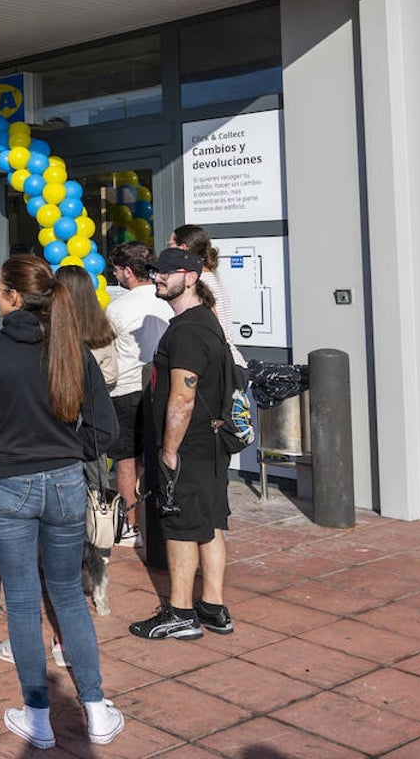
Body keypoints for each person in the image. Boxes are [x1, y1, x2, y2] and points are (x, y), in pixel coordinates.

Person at [0, 254, 124, 749]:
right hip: (64, 479)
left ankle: (39, 716)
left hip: (8, 483)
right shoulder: (71, 350)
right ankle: (94, 706)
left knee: (25, 602)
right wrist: (67, 448)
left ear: (10, 298)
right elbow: (105, 430)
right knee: (68, 592)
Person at [130, 248, 236, 641]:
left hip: (189, 447)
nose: (157, 277)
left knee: (179, 527)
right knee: (209, 523)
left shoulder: (189, 330)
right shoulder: (204, 322)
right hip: (209, 444)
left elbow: (182, 396)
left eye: (166, 272)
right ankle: (212, 606)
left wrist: (169, 450)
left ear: (190, 277)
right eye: (155, 271)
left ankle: (180, 612)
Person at [106, 243, 174, 544]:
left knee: (126, 460)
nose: (116, 276)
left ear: (128, 272)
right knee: (157, 456)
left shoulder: (117, 307)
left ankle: (132, 525)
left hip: (125, 389)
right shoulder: (167, 300)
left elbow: (105, 352)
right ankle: (156, 520)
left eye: (118, 271)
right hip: (160, 387)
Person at [169, 225, 246, 368]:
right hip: (230, 361)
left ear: (183, 248)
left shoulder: (198, 281)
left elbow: (211, 326)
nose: (167, 251)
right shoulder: (209, 276)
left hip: (220, 367)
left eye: (171, 245)